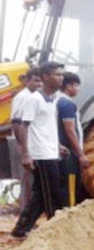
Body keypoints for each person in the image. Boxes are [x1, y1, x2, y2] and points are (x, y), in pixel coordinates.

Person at [11, 62, 65, 238]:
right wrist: (26, 154)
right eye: (57, 75)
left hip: (50, 151)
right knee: (52, 195)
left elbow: (45, 127)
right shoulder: (34, 100)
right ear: (46, 77)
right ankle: (56, 230)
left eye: (62, 74)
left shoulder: (53, 99)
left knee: (40, 195)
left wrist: (57, 146)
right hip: (41, 155)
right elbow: (23, 127)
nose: (61, 78)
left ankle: (21, 230)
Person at [10, 67, 43, 209]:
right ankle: (25, 211)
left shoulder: (35, 97)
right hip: (26, 145)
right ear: (27, 81)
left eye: (41, 81)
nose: (39, 84)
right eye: (35, 81)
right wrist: (24, 149)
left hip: (31, 144)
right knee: (27, 179)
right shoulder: (24, 97)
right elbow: (17, 123)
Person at [56, 72, 89, 207]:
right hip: (68, 154)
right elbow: (70, 129)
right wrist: (80, 154)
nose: (77, 89)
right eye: (76, 85)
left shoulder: (55, 101)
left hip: (60, 152)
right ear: (69, 86)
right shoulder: (67, 104)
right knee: (69, 191)